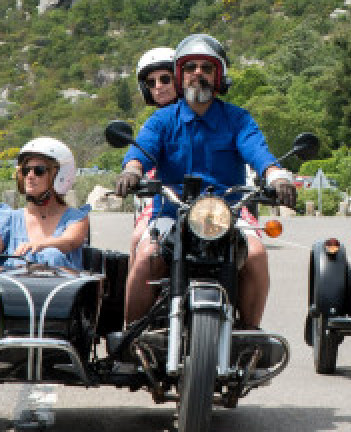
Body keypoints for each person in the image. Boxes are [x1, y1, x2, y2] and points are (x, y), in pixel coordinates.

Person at [114, 33, 297, 328]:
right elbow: (141, 151)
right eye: (190, 67)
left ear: (219, 77)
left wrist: (276, 176)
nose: (198, 73)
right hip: (171, 213)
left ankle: (250, 334)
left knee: (257, 254)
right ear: (180, 75)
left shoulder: (238, 119)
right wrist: (132, 171)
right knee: (147, 255)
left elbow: (258, 152)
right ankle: (132, 339)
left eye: (207, 68)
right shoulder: (162, 121)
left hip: (229, 213)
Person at [0, 137, 90, 272]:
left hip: (62, 291)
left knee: (52, 255)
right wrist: (5, 273)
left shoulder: (76, 218)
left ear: (59, 175)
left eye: (39, 170)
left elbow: (70, 241)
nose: (30, 176)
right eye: (25, 170)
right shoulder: (10, 219)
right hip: (15, 292)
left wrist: (40, 245)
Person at [128, 47, 178, 260]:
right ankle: (129, 294)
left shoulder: (209, 114)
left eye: (165, 79)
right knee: (138, 241)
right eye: (151, 82)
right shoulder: (154, 124)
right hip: (165, 203)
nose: (159, 87)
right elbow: (141, 152)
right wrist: (132, 169)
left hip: (213, 205)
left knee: (252, 251)